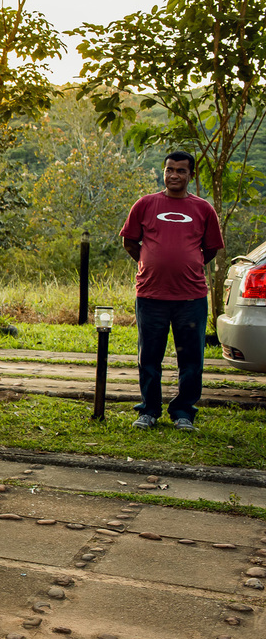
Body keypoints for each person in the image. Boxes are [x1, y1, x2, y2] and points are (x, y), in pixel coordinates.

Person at [119, 151, 224, 433]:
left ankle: (183, 413)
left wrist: (188, 264)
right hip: (151, 295)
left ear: (192, 175)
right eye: (169, 170)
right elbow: (130, 242)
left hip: (191, 297)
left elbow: (211, 248)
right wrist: (149, 261)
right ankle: (148, 411)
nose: (174, 175)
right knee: (149, 357)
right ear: (163, 172)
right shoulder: (145, 204)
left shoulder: (204, 209)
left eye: (180, 170)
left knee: (191, 360)